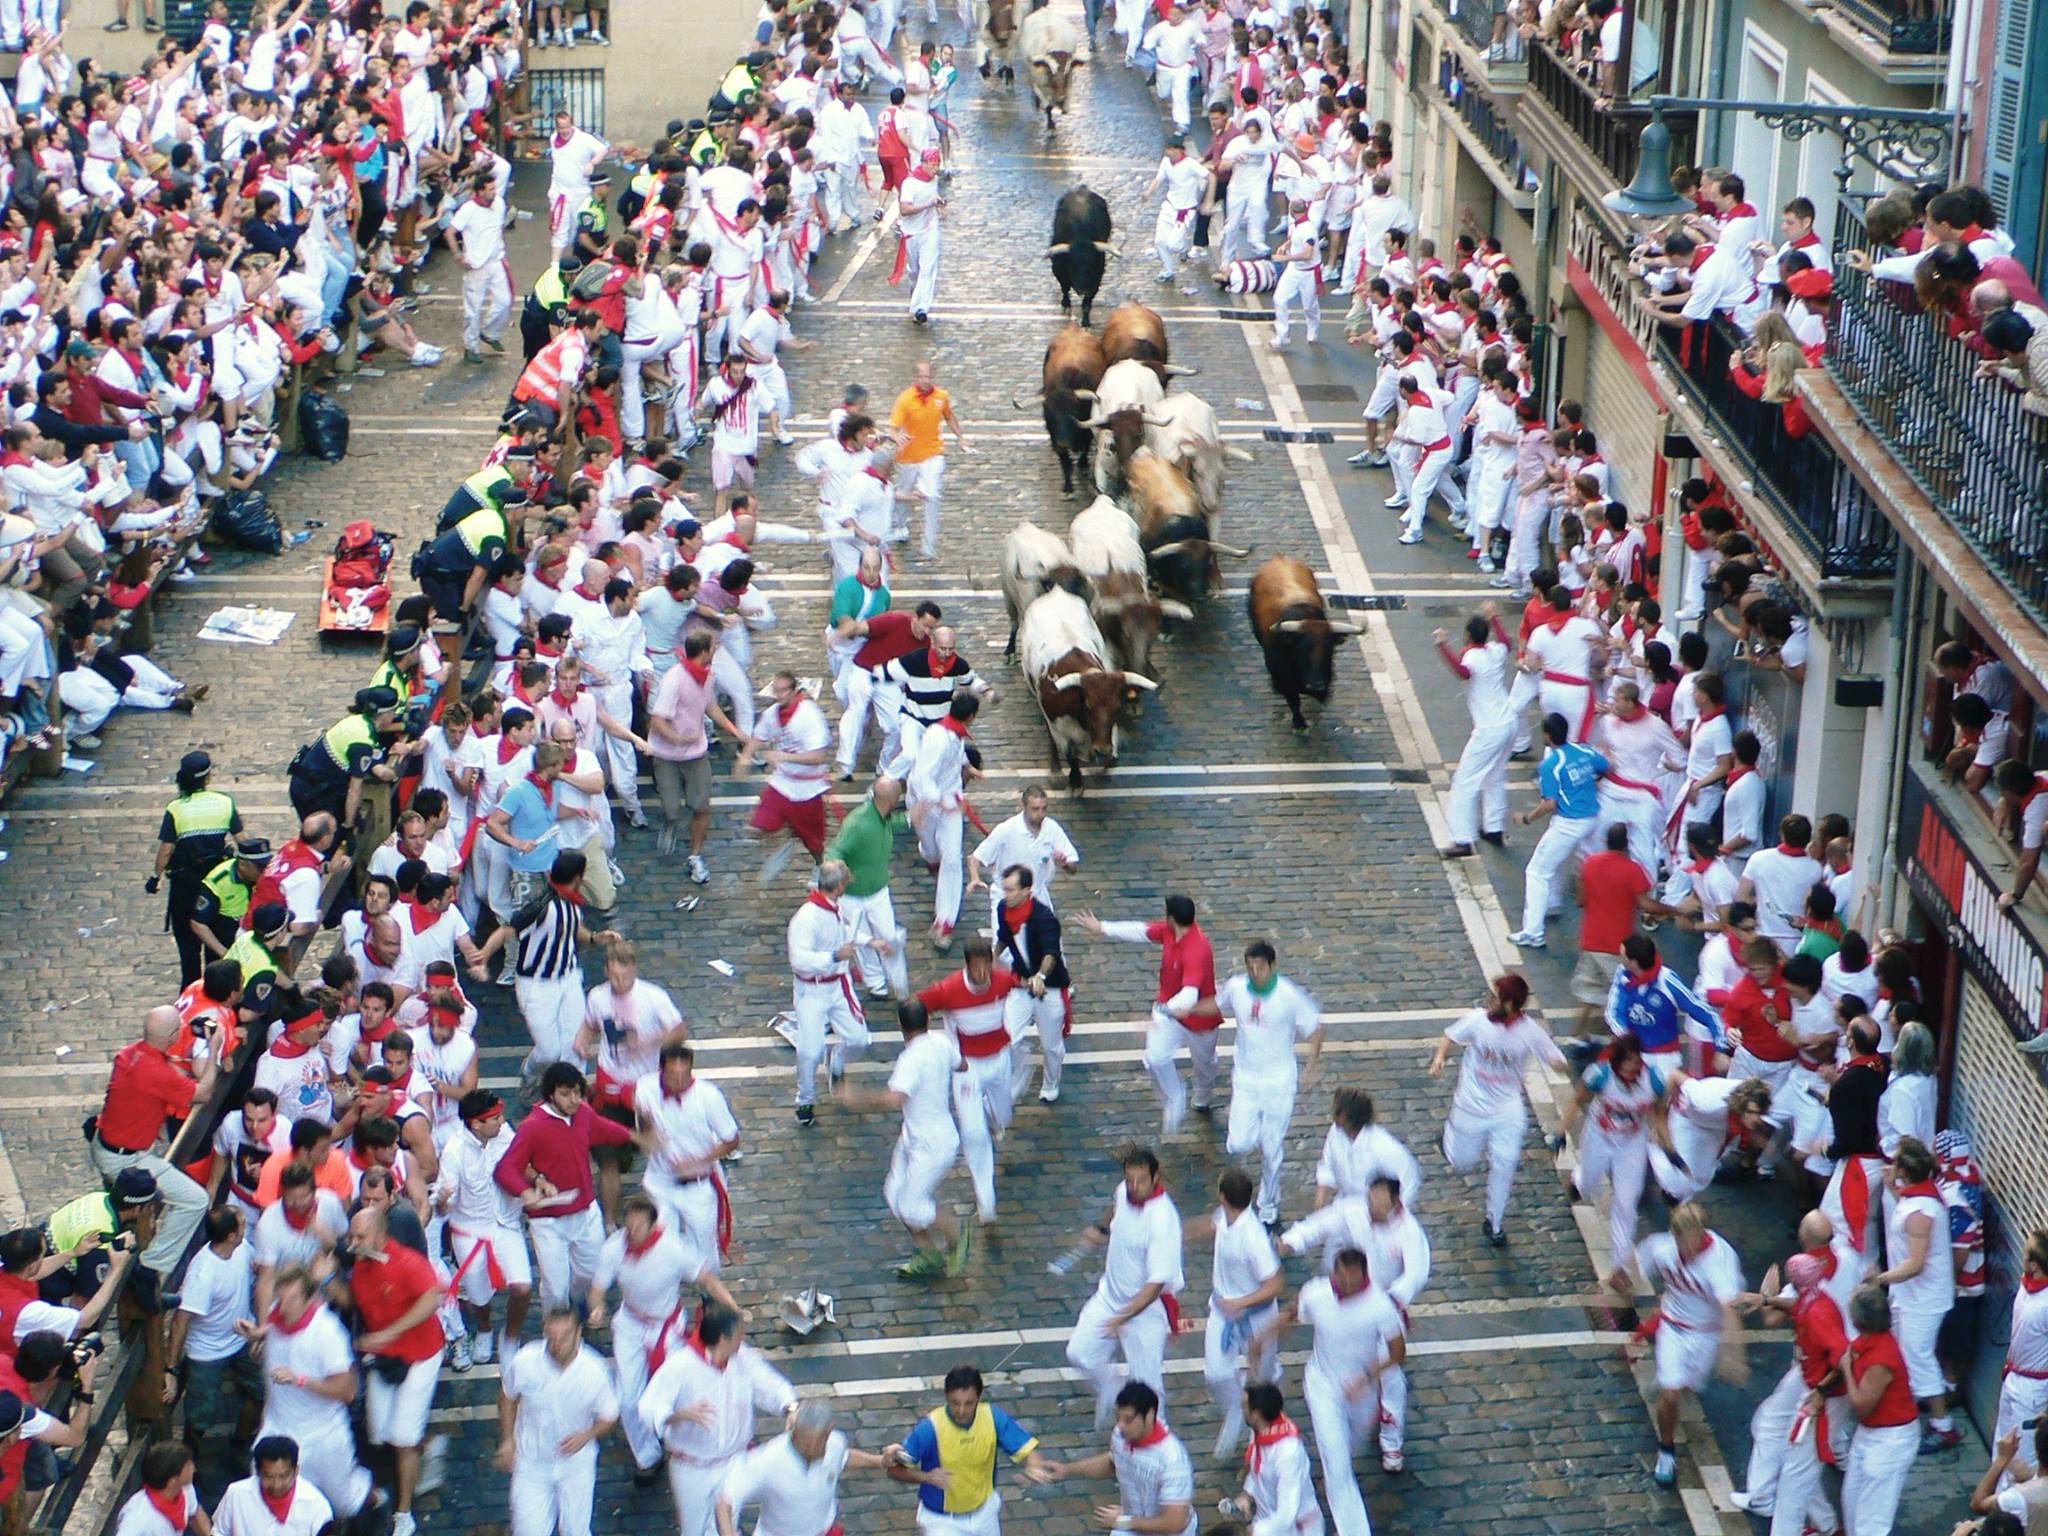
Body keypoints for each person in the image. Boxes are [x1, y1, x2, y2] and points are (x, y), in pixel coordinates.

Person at [588, 1193, 735, 1487]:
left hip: (667, 1328)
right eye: (628, 1226)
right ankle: (647, 1456)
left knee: (679, 1389)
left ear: (654, 1226)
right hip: (630, 1324)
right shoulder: (614, 1248)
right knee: (629, 1397)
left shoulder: (674, 1248)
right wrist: (597, 1307)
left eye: (638, 1228)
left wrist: (733, 1308)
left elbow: (706, 1279)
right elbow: (598, 1288)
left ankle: (684, 1442)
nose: (630, 1233)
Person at [1255, 1246, 1405, 1529]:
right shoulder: (1316, 1292)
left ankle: (1337, 1478)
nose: (1348, 1285)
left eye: (1354, 1279)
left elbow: (1398, 1351)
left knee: (1349, 1450)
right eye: (1343, 1277)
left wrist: (1367, 1376)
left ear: (1365, 1275)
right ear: (1334, 1272)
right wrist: (1264, 1335)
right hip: (1322, 1384)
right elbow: (1292, 1312)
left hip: (1362, 1391)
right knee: (1338, 1467)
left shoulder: (1379, 1305)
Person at [638, 1301, 797, 1536]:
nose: (742, 1340)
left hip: (733, 1463)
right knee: (693, 1531)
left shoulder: (743, 1358)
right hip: (692, 1467)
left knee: (725, 1524)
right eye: (738, 1335)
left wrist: (790, 1406)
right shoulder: (680, 1365)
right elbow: (649, 1406)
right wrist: (678, 1415)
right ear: (723, 1338)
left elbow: (768, 1383)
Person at [90, 1007, 216, 1301]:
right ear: (172, 1036)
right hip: (125, 1159)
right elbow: (204, 1092)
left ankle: (131, 1262)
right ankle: (149, 1269)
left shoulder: (130, 1054)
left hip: (110, 1144)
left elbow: (144, 1090)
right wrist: (214, 1048)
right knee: (194, 1201)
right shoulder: (155, 1071)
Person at [1429, 974, 1566, 1244]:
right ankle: (1447, 1140)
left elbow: (1554, 1056)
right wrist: (1440, 1058)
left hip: (1506, 1108)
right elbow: (1450, 1036)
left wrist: (1560, 1064)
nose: (1488, 1000)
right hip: (1471, 1103)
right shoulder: (1478, 1019)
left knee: (1505, 1162)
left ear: (1510, 1004)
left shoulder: (1529, 1031)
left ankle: (1495, 1222)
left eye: (1495, 997)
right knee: (1462, 1161)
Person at [841, 1001, 971, 1279]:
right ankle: (929, 1255)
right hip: (915, 1137)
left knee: (912, 1206)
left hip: (933, 1145)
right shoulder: (941, 1041)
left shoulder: (911, 1059)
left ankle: (956, 1234)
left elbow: (894, 1099)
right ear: (927, 1021)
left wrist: (855, 1098)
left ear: (901, 1026)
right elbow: (962, 1064)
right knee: (895, 1195)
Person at [1622, 1203, 1745, 1488]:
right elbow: (1634, 1264)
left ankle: (1672, 1385)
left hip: (1706, 1335)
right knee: (1671, 1394)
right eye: (1682, 1243)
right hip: (1673, 1328)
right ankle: (1666, 1450)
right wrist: (1619, 1286)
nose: (1688, 1250)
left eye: (1693, 1242)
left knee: (1686, 1387)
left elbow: (1729, 1309)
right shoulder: (1661, 1247)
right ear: (1674, 1236)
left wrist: (1732, 1354)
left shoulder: (1721, 1261)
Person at [493, 1063, 636, 1308]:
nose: (574, 1100)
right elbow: (506, 1168)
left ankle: (576, 1315)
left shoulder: (583, 1112)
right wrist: (526, 1191)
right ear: (551, 1095)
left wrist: (633, 1136)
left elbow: (603, 1128)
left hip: (585, 1212)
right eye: (566, 1094)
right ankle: (557, 1332)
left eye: (577, 1093)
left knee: (593, 1274)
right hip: (549, 1222)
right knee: (555, 1288)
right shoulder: (532, 1127)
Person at [1730, 1249, 1852, 1536]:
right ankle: (1825, 1525)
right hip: (1816, 1388)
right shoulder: (1814, 1298)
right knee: (1792, 1456)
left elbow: (1842, 1358)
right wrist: (1766, 1299)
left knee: (1796, 1472)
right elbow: (1795, 1307)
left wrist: (1821, 1392)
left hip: (1824, 1397)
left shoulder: (1818, 1313)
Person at [1075, 895, 1222, 1132]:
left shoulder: (1197, 949)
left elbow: (1190, 995)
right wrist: (1103, 928)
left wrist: (1162, 1013)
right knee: (1156, 1057)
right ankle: (1175, 1097)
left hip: (1199, 1017)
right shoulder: (1169, 931)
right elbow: (1140, 930)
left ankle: (1203, 1094)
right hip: (1169, 1013)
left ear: (1171, 918)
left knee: (1204, 1064)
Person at [1065, 1145, 1185, 1426]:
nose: (1134, 1186)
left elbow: (1156, 1284)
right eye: (1129, 1179)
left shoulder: (1163, 1219)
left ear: (1156, 1178)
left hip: (1145, 1313)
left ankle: (1159, 1442)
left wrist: (1125, 1316)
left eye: (1140, 1181)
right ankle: (1114, 1389)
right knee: (1080, 1353)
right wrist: (1101, 1228)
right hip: (1110, 1295)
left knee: (1148, 1390)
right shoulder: (1125, 1190)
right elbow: (1116, 1205)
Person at [346, 1204, 446, 1536]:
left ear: (380, 1234)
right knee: (379, 1433)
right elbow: (353, 1301)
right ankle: (425, 1446)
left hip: (421, 1354)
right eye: (352, 1235)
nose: (354, 1241)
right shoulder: (361, 1266)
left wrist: (390, 1333)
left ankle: (404, 1513)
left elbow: (432, 1298)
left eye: (361, 1235)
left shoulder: (407, 1263)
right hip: (386, 1359)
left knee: (402, 1437)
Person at [917, 938, 1023, 1225]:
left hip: (999, 1061)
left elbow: (1023, 983)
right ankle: (985, 1199)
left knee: (1003, 1116)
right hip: (967, 1069)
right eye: (976, 968)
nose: (982, 974)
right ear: (967, 966)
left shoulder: (1003, 981)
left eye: (986, 966)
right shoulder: (949, 990)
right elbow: (916, 1007)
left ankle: (993, 1117)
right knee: (973, 1133)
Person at [256, 1265, 374, 1523]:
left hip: (322, 1435)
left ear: (311, 1299)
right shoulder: (276, 1317)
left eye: (292, 1299)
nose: (283, 1306)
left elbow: (348, 1391)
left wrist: (300, 1380)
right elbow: (271, 1328)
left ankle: (376, 1501)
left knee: (345, 1503)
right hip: (279, 1428)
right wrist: (255, 1334)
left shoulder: (327, 1333)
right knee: (270, 1500)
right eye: (281, 1297)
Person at [1218, 941, 1324, 1225]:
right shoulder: (1237, 988)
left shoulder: (1288, 996)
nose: (1255, 972)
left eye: (1260, 967)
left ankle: (1268, 1202)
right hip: (1246, 1079)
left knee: (1271, 1146)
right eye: (1250, 967)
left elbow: (1315, 1029)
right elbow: (1213, 1004)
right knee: (1239, 1143)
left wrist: (1311, 1068)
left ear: (1272, 966)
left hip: (1279, 1083)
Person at [1554, 1032, 1673, 1278]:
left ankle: (1619, 1268)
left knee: (1626, 1203)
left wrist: (1672, 1151)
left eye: (1635, 1065)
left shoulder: (1654, 1081)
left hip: (1632, 1143)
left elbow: (1658, 1115)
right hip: (1600, 1137)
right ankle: (1579, 1180)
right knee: (1588, 1183)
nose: (1631, 1071)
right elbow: (1577, 1102)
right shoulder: (1599, 1075)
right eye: (1626, 1065)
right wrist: (1560, 1132)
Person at [886, 1363, 1058, 1532]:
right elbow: (895, 1470)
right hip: (943, 1521)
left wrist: (1033, 1465)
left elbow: (1027, 1448)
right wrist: (926, 1477)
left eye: (969, 1403)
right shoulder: (929, 1429)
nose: (961, 1411)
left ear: (979, 1397)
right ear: (946, 1397)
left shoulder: (992, 1417)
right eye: (955, 1403)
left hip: (984, 1513)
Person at [1871, 1136, 1961, 1453]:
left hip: (1922, 1299)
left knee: (1918, 1359)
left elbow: (1915, 1263)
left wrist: (1878, 1279)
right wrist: (1895, 1190)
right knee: (1907, 1355)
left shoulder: (1920, 1210)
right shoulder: (1917, 1198)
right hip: (1911, 1295)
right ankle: (1907, 1408)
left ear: (1904, 1171)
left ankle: (1943, 1426)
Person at [497, 1306, 620, 1536]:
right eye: (551, 1338)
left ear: (578, 1333)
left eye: (563, 1338)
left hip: (576, 1466)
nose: (556, 1345)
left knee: (576, 1530)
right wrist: (507, 1440)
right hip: (532, 1462)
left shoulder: (595, 1371)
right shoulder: (525, 1360)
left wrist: (587, 1436)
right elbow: (507, 1397)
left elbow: (610, 1416)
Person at [433, 1089, 532, 1366]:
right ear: (476, 1124)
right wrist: (442, 1201)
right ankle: (485, 1329)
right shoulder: (454, 1152)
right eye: (496, 1118)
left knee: (523, 1288)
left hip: (506, 1223)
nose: (502, 1122)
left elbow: (519, 1164)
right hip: (470, 1229)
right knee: (477, 1295)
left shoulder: (505, 1134)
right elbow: (445, 1205)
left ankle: (510, 1337)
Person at [170, 1207, 262, 1504]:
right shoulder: (203, 1273)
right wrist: (171, 1369)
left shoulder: (243, 1249)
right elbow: (182, 1319)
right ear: (231, 1235)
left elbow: (258, 1270)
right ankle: (189, 1466)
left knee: (260, 1392)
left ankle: (238, 1444)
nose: (247, 1225)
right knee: (199, 1416)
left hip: (239, 1339)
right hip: (206, 1351)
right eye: (242, 1224)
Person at [1192, 1168, 1284, 1460]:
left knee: (1262, 1380)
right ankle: (1236, 1411)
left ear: (1222, 1196)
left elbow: (1276, 1283)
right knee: (1216, 1373)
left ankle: (1262, 1439)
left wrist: (1242, 1302)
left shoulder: (1253, 1237)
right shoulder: (1225, 1217)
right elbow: (1210, 1226)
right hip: (1224, 1312)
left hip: (1256, 1318)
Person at [716, 1400, 904, 1536]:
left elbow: (844, 1457)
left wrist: (879, 1461)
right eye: (809, 1443)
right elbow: (725, 1501)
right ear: (794, 1433)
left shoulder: (834, 1444)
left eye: (822, 1440)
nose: (817, 1448)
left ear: (829, 1431)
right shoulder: (767, 1460)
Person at [634, 1043, 741, 1279]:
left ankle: (710, 1302)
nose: (680, 1081)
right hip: (660, 1182)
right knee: (662, 1246)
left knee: (704, 1250)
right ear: (661, 1070)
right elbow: (643, 1125)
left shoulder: (709, 1097)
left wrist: (698, 1160)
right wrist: (649, 1133)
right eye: (674, 1075)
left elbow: (731, 1140)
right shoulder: (645, 1087)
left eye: (686, 1074)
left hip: (698, 1186)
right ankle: (668, 1300)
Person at [786, 860, 880, 1128]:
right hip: (812, 991)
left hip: (838, 985)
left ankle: (836, 1063)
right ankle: (805, 1099)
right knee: (809, 1051)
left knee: (859, 1039)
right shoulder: (806, 918)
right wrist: (834, 956)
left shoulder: (836, 907)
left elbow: (846, 934)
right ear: (838, 885)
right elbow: (799, 960)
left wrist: (869, 942)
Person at [648, 630, 745, 880]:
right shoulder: (674, 680)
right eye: (714, 647)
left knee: (701, 805)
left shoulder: (707, 676)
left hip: (696, 753)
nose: (716, 650)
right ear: (704, 652)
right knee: (672, 809)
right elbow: (657, 720)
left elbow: (709, 705)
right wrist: (678, 739)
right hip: (667, 754)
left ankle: (695, 855)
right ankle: (670, 824)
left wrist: (733, 730)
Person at [1038, 1381, 1196, 1535]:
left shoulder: (1173, 1461)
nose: (1120, 1425)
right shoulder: (1121, 1436)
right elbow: (1113, 1462)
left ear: (1149, 1415)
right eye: (1118, 1417)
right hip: (1134, 1524)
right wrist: (1067, 1470)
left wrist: (1123, 1522)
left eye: (1128, 1419)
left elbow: (1174, 1522)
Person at [1509, 712, 1607, 949]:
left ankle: (1533, 931)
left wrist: (1526, 819)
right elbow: (1604, 766)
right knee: (1561, 862)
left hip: (1569, 822)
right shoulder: (1584, 751)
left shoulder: (1551, 765)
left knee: (1537, 871)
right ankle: (1552, 903)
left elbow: (1549, 804)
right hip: (1592, 817)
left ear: (1547, 735)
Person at [151, 749, 243, 986]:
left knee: (189, 948)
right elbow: (242, 839)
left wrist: (155, 877)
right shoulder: (224, 803)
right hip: (217, 883)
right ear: (207, 778)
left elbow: (166, 850)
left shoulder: (176, 809)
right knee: (216, 937)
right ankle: (216, 988)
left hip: (185, 886)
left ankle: (191, 991)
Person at [1841, 1284, 1923, 1536]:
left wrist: (1846, 1369)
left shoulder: (1881, 1358)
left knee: (1872, 1522)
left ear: (1857, 1320)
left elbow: (1861, 1404)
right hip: (1871, 1433)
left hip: (1890, 1440)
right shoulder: (1868, 1342)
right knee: (1852, 1502)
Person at [1434, 611, 1515, 857]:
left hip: (1489, 729)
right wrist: (1496, 619)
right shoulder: (1496, 651)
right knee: (1495, 775)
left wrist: (1443, 646)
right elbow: (1507, 643)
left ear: (1468, 635)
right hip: (1508, 722)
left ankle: (1462, 838)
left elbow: (1462, 672)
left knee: (1464, 782)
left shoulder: (1472, 656)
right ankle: (1494, 827)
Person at [825, 776, 913, 1001]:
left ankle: (897, 982)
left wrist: (910, 819)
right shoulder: (858, 824)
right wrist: (841, 866)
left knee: (888, 936)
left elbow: (891, 824)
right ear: (892, 801)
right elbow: (835, 852)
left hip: (878, 891)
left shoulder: (881, 816)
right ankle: (876, 983)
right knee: (861, 940)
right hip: (853, 897)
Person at [744, 672, 837, 883]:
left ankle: (819, 865)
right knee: (759, 825)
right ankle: (785, 840)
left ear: (795, 691)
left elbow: (820, 756)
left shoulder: (810, 716)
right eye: (776, 690)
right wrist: (745, 757)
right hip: (783, 783)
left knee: (814, 842)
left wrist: (783, 756)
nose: (778, 696)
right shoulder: (772, 714)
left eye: (784, 690)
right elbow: (758, 737)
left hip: (808, 788)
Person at [908, 691, 983, 949]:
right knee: (931, 851)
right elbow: (921, 777)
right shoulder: (938, 738)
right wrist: (938, 800)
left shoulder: (953, 733)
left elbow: (957, 753)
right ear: (971, 717)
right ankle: (930, 857)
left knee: (952, 860)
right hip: (926, 804)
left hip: (949, 803)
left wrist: (967, 767)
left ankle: (945, 922)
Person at [992, 864, 1071, 1104]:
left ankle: (1051, 1083)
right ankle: (1020, 1070)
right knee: (1006, 1038)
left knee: (1051, 1046)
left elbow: (1050, 953)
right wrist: (993, 959)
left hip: (1049, 989)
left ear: (1027, 890)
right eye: (1004, 889)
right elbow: (1004, 937)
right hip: (1021, 984)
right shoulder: (1003, 909)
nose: (1006, 895)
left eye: (1011, 890)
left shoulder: (1044, 918)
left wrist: (1041, 977)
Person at [967, 784, 1081, 935]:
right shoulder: (1006, 830)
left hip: (1037, 896)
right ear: (1023, 806)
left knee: (1050, 946)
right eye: (1035, 809)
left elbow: (1073, 866)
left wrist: (1065, 865)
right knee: (1005, 950)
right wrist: (975, 878)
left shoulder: (1052, 829)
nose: (1040, 814)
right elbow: (975, 858)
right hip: (1008, 896)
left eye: (1044, 808)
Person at [1217, 1382, 1323, 1536]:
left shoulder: (1288, 1453)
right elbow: (1257, 1468)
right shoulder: (1261, 1430)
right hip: (1266, 1519)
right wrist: (1247, 1495)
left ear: (1256, 1415)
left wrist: (1255, 1531)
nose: (1242, 1409)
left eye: (1245, 1407)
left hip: (1295, 1529)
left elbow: (1287, 1513)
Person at [889, 360, 970, 559]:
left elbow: (949, 416)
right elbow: (893, 428)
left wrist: (960, 436)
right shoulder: (905, 399)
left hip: (933, 453)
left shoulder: (941, 397)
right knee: (904, 493)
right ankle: (899, 526)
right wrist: (898, 438)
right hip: (908, 456)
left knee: (932, 495)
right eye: (922, 377)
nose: (926, 380)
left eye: (929, 376)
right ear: (916, 377)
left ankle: (929, 544)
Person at [1145, 136, 1213, 284]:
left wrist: (1208, 200)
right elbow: (1158, 179)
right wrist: (1149, 192)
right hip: (1169, 205)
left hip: (1185, 211)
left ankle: (1183, 249)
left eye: (1170, 149)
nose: (1168, 152)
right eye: (1167, 149)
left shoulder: (1190, 164)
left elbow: (1211, 177)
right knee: (1159, 241)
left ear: (1179, 150)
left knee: (1173, 244)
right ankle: (1168, 270)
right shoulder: (1165, 162)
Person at [895, 151, 945, 325]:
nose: (935, 168)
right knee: (915, 271)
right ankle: (915, 294)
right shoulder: (910, 183)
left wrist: (938, 203)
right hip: (911, 233)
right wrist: (928, 205)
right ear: (923, 163)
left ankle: (921, 308)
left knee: (928, 269)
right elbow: (904, 209)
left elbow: (933, 197)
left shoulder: (934, 180)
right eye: (933, 164)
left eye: (937, 164)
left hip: (929, 231)